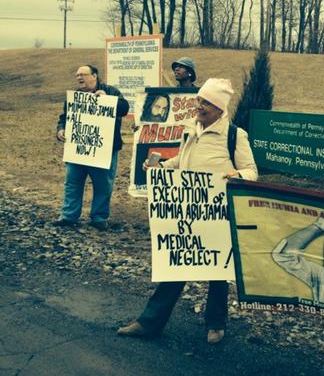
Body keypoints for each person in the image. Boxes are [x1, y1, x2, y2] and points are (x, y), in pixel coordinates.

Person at [117, 78, 258, 344]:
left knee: (217, 272)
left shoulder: (234, 136)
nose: (199, 106)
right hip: (186, 211)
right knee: (176, 265)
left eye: (206, 102)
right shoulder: (190, 129)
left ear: (219, 108)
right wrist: (163, 168)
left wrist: (237, 174)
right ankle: (149, 323)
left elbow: (252, 173)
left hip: (217, 214)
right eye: (199, 100)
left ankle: (216, 324)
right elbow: (183, 159)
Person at [53, 65, 129, 231]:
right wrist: (60, 129)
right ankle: (68, 216)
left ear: (94, 76)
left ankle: (99, 217)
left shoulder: (110, 90)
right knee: (72, 182)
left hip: (104, 149)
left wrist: (108, 99)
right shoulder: (75, 97)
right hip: (78, 149)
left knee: (103, 185)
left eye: (83, 74)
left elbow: (124, 108)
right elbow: (64, 117)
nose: (79, 78)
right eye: (77, 75)